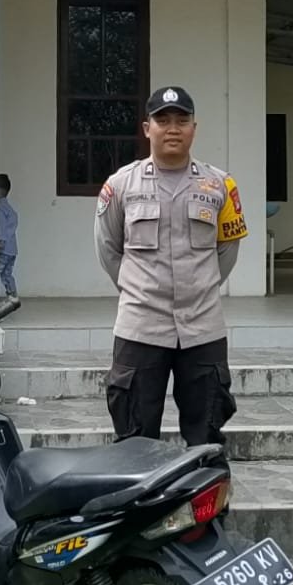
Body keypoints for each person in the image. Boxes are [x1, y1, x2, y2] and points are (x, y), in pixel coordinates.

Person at [94, 86, 246, 448]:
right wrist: (138, 289)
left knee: (206, 434)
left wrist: (201, 286)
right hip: (140, 326)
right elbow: (108, 249)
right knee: (134, 436)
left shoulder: (220, 184)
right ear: (147, 128)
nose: (173, 128)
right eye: (163, 120)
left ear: (194, 128)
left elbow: (227, 249)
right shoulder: (120, 185)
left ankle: (204, 488)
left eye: (182, 120)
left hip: (203, 328)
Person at [0, 173, 19, 299]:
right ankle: (13, 296)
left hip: (3, 249)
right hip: (12, 249)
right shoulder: (9, 209)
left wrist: (0, 241)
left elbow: (1, 226)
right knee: (7, 274)